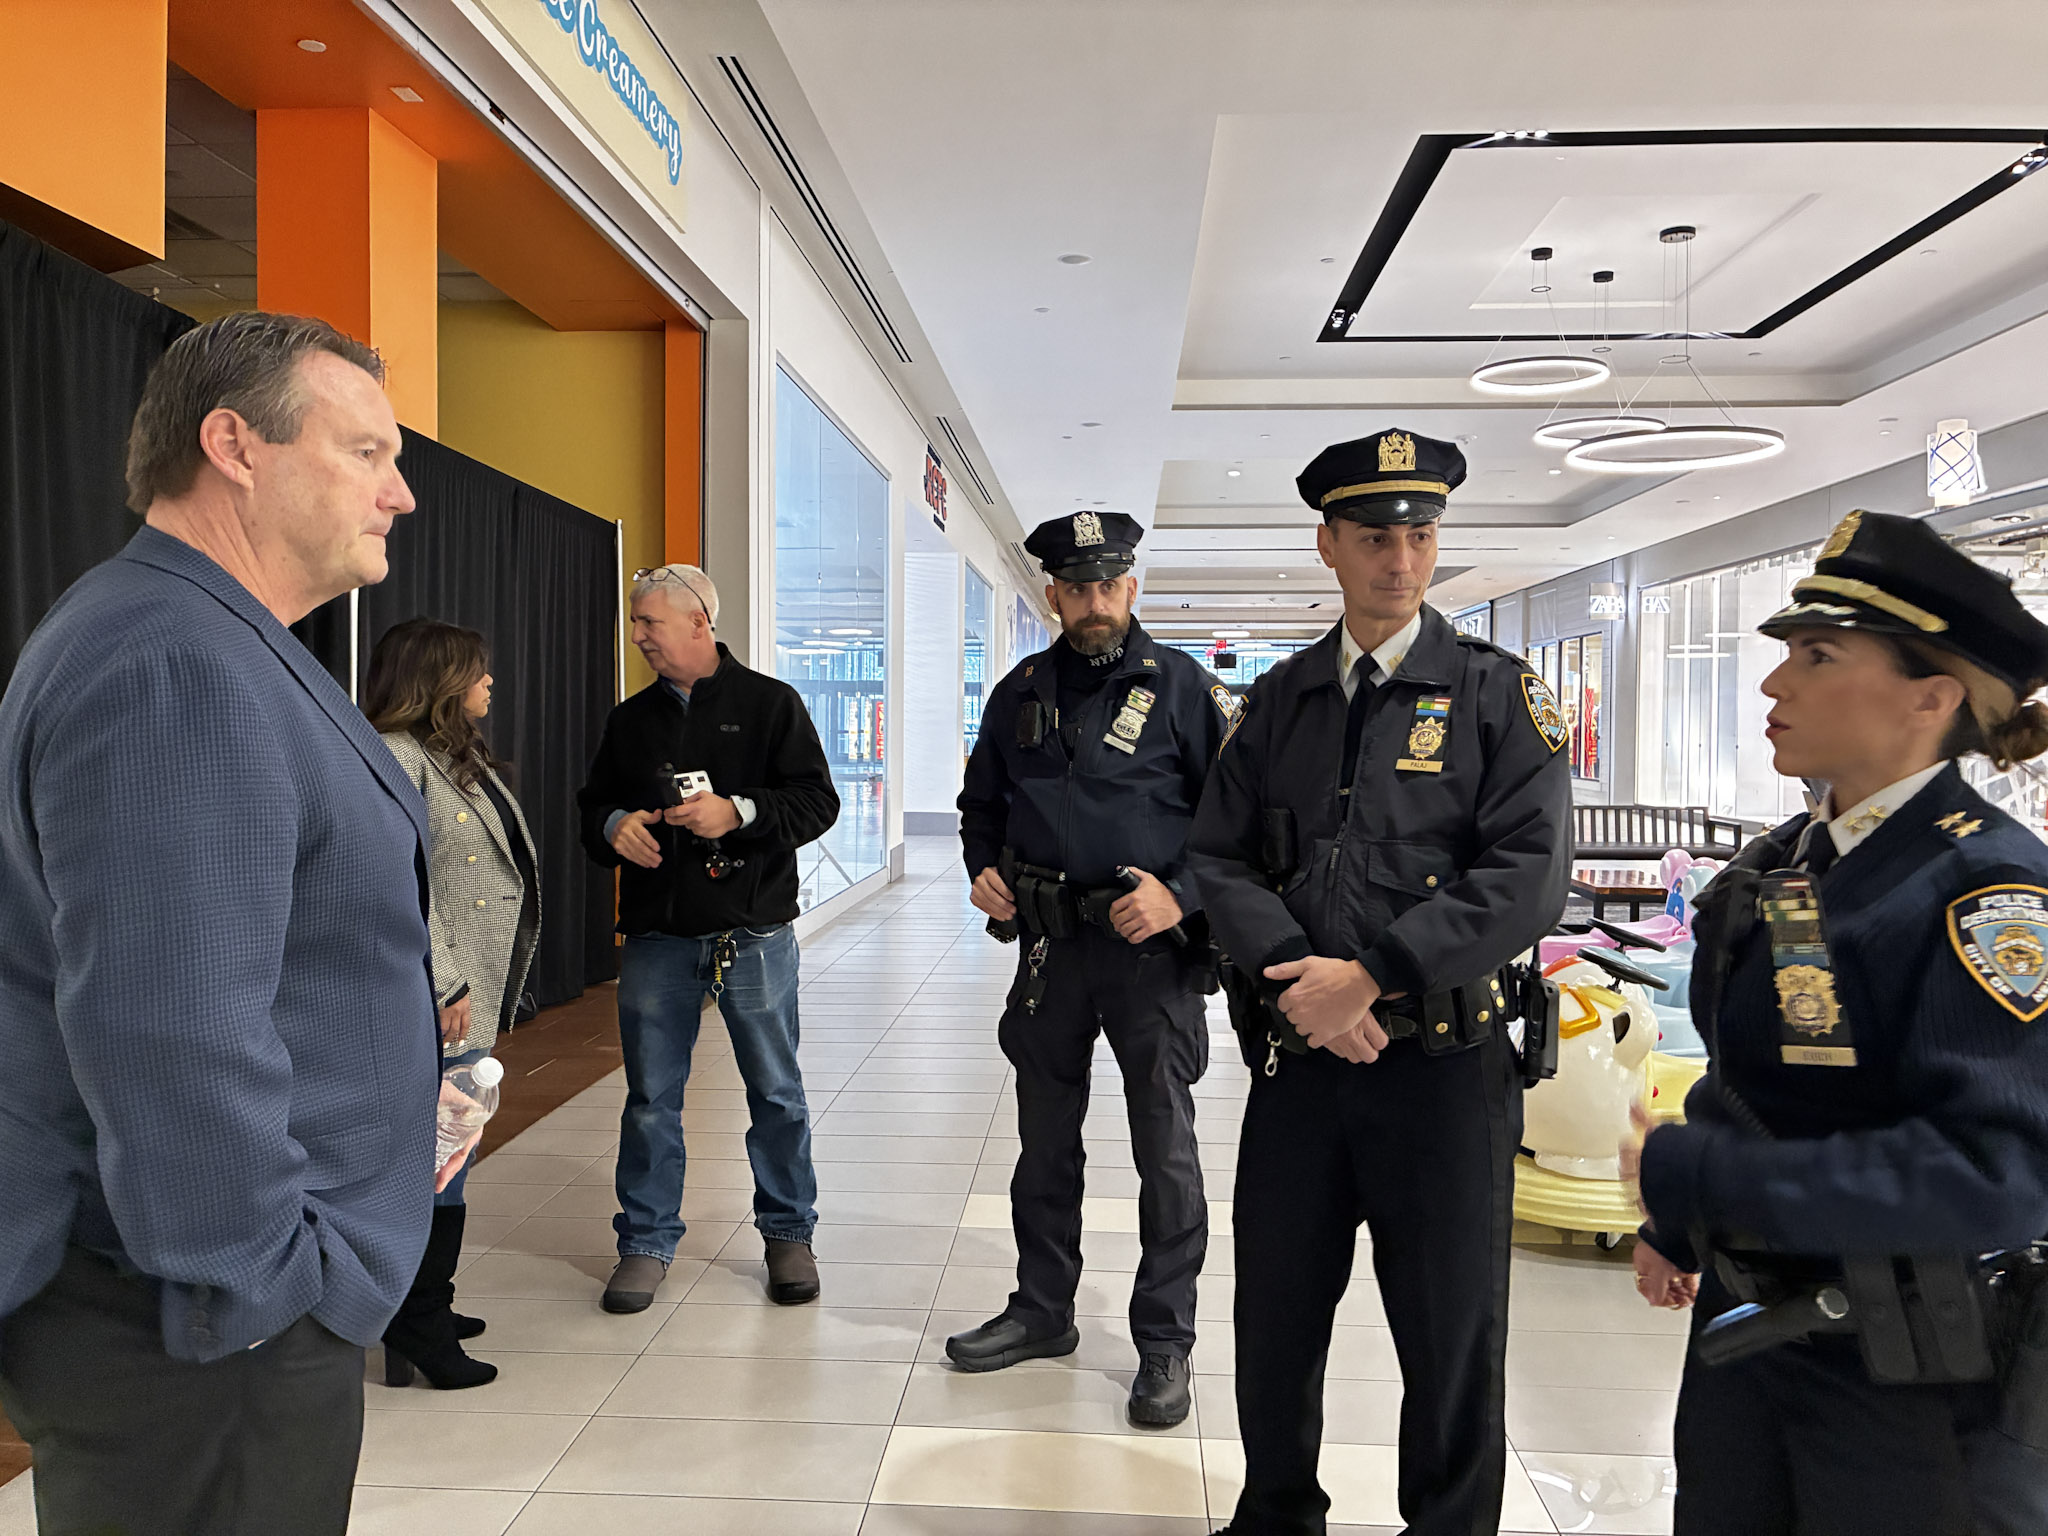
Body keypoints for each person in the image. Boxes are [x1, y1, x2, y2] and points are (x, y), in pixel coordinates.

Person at [0, 312, 463, 1536]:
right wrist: (261, 1285)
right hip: (196, 1319)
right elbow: (167, 1023)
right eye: (365, 452)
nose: (399, 493)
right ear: (235, 445)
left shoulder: (202, 634)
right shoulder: (173, 658)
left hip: (205, 1302)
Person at [1627, 509, 2048, 1536]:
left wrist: (1698, 1176)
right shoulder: (1797, 860)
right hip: (1751, 1333)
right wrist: (1677, 1226)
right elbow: (1770, 1081)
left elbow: (1991, 1179)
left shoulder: (1982, 890)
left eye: (1816, 657)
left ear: (1929, 698)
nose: (1774, 684)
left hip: (1903, 1376)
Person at [1189, 428, 1573, 1536]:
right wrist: (1295, 980)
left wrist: (1370, 976)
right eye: (1371, 537)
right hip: (1299, 1063)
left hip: (1443, 1072)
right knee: (1275, 1316)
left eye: (1418, 534)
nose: (1398, 560)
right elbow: (1217, 855)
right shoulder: (1278, 704)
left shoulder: (1499, 698)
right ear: (1327, 545)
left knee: (1450, 1332)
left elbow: (1524, 880)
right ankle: (1272, 1516)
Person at [949, 510, 1234, 1428]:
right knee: (1044, 1143)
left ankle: (1164, 1343)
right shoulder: (1021, 689)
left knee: (1166, 1151)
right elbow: (979, 803)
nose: (1096, 602)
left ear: (1133, 589)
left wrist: (1181, 896)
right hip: (1049, 951)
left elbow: (1238, 830)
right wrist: (983, 871)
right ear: (1054, 596)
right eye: (1079, 588)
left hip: (1150, 955)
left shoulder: (1184, 688)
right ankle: (1043, 1310)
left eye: (1110, 585)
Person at [578, 565, 840, 1313]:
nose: (638, 638)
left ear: (699, 623)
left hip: (753, 934)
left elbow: (817, 801)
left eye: (649, 624)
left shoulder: (770, 705)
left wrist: (742, 813)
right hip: (660, 936)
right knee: (651, 1097)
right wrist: (613, 827)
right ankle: (646, 1241)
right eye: (636, 625)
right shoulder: (631, 721)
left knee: (776, 1092)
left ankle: (789, 1233)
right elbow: (594, 801)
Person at [365, 618, 541, 1390]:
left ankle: (419, 1305)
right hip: (440, 995)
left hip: (464, 990)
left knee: (448, 1152)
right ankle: (419, 1325)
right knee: (440, 1162)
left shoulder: (448, 756)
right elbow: (394, 877)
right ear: (439, 680)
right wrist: (442, 980)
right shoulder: (397, 757)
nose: (490, 684)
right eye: (477, 672)